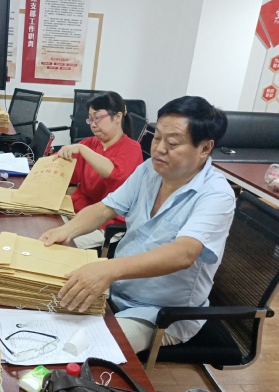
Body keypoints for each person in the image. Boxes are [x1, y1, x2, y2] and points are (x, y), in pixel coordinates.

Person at [40, 96, 234, 353]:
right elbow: (105, 208)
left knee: (79, 346)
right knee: (42, 311)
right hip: (116, 289)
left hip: (159, 314)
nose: (159, 149)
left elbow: (184, 253)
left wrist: (108, 269)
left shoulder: (216, 195)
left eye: (172, 143)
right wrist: (66, 230)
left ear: (205, 148)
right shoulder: (149, 171)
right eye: (157, 138)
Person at [55, 91, 143, 249]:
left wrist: (82, 149)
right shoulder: (91, 143)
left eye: (97, 118)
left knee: (57, 246)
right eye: (90, 119)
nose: (93, 124)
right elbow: (70, 174)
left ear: (117, 117)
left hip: (104, 225)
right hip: (76, 213)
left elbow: (114, 173)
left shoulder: (132, 148)